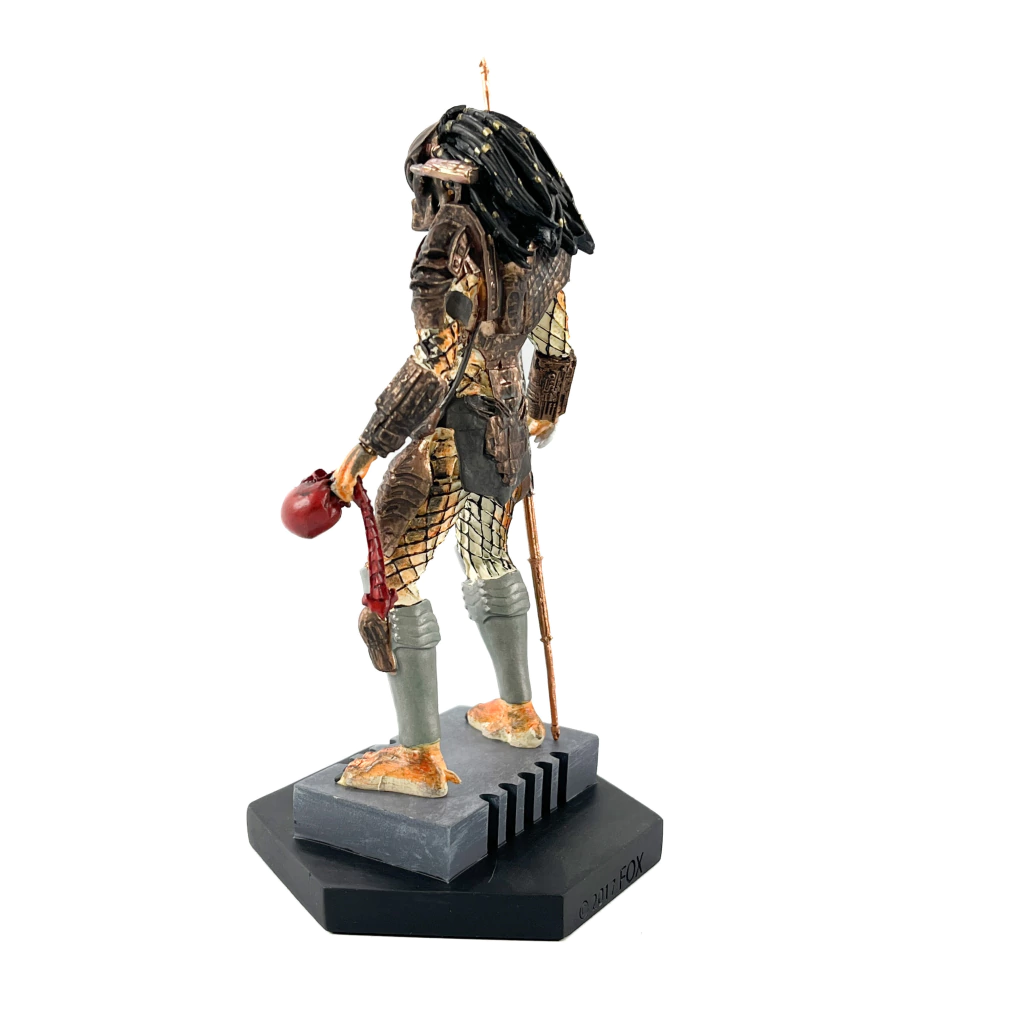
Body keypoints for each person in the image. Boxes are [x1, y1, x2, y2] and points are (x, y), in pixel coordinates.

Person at [331, 105, 594, 797]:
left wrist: (367, 446)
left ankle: (419, 757)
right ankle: (518, 711)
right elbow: (556, 341)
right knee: (486, 557)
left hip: (446, 434)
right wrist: (546, 402)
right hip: (505, 431)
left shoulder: (451, 246)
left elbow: (435, 361)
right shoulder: (543, 244)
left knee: (389, 581)